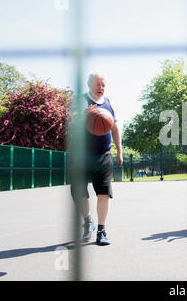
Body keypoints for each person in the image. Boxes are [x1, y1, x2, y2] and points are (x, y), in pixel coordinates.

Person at [70, 72, 123, 245]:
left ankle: (102, 230)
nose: (101, 88)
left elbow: (115, 129)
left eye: (103, 85)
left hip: (103, 155)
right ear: (89, 84)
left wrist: (119, 152)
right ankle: (88, 222)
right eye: (98, 84)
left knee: (103, 194)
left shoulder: (107, 103)